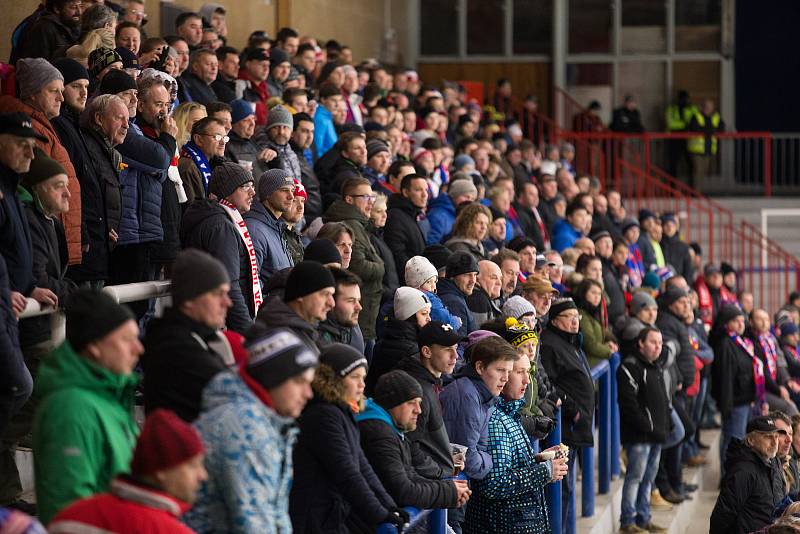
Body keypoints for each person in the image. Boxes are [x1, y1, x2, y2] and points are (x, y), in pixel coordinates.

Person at [185, 327, 318, 533]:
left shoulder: (265, 420)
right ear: (273, 378)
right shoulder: (243, 428)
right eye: (299, 382)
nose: (308, 394)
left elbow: (274, 511)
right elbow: (253, 523)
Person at [33, 290, 142, 524]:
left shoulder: (108, 397)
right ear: (94, 346)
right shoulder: (70, 409)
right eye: (126, 340)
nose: (138, 349)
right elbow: (70, 511)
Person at [290, 343, 406, 533]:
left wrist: (389, 506)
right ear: (332, 380)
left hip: (331, 515)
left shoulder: (343, 412)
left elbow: (363, 466)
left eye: (363, 378)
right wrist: (379, 513)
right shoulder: (323, 415)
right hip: (313, 520)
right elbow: (347, 472)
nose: (362, 384)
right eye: (354, 377)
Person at [49, 409, 206, 534]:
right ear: (162, 470)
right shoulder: (171, 531)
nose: (202, 475)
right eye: (193, 465)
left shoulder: (71, 516)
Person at [464, 348, 567, 534]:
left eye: (528, 372)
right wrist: (546, 471)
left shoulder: (509, 413)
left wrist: (537, 460)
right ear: (503, 374)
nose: (527, 380)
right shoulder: (496, 420)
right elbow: (495, 484)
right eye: (519, 372)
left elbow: (507, 466)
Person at [0, 60, 82, 265]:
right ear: (33, 93)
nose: (61, 98)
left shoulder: (45, 126)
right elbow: (43, 186)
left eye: (62, 91)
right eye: (53, 90)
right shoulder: (33, 127)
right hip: (46, 238)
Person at [356, 370, 468, 512]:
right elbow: (402, 491)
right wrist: (448, 492)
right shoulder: (379, 435)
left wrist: (449, 489)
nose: (418, 410)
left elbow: (410, 476)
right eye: (411, 403)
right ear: (392, 404)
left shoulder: (392, 430)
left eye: (419, 403)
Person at [141, 249, 233, 421]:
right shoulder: (176, 349)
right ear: (190, 299)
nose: (227, 302)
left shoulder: (193, 338)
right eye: (218, 294)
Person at [440, 335, 519, 531]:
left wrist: (482, 456)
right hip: (451, 490)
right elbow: (467, 458)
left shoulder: (483, 394)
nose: (506, 378)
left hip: (460, 488)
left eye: (508, 372)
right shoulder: (466, 397)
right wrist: (490, 461)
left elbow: (479, 449)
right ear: (480, 368)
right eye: (500, 370)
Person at [180, 161, 259, 333]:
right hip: (224, 324)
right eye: (245, 187)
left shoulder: (218, 219)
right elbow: (229, 284)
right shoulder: (220, 226)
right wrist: (248, 332)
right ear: (227, 192)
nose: (253, 192)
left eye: (252, 186)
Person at [540, 297, 595, 531]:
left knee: (568, 486)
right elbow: (549, 384)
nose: (575, 322)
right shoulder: (551, 344)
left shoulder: (570, 341)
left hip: (575, 423)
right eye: (569, 317)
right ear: (554, 320)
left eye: (576, 317)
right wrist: (573, 410)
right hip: (566, 426)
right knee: (561, 488)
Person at [617, 327, 671, 534]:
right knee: (635, 477)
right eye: (653, 342)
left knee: (649, 478)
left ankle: (643, 517)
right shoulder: (629, 367)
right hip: (640, 436)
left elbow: (663, 401)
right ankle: (628, 521)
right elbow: (630, 406)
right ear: (641, 343)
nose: (658, 347)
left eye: (660, 343)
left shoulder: (655, 367)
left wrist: (666, 425)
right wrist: (649, 427)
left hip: (656, 434)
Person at [324, 177, 385, 348]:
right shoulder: (351, 224)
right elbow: (360, 266)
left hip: (363, 315)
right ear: (349, 199)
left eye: (372, 197)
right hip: (358, 314)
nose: (371, 203)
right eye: (365, 197)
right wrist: (381, 266)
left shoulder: (359, 223)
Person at [396, 321, 463, 473]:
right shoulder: (417, 391)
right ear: (426, 352)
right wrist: (439, 469)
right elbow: (409, 446)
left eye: (456, 348)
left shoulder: (429, 382)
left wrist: (446, 456)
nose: (456, 356)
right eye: (448, 350)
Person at [710, 416, 786, 534]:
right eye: (768, 437)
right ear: (751, 440)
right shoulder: (743, 471)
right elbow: (722, 515)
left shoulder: (774, 462)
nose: (774, 442)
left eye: (776, 436)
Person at [712, 304, 763, 468]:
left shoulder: (740, 341)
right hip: (735, 403)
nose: (741, 324)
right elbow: (725, 377)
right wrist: (727, 405)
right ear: (726, 323)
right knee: (732, 441)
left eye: (742, 320)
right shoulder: (726, 344)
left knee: (741, 441)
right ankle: (727, 478)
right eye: (736, 321)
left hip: (745, 400)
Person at [255, 260, 336, 351]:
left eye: (332, 295)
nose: (332, 303)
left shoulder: (301, 332)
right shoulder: (279, 342)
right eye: (325, 294)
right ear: (301, 294)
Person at [367, 286, 432, 394]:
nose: (429, 318)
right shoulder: (411, 350)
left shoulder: (387, 338)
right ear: (410, 316)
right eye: (424, 313)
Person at [244, 168, 295, 287]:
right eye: (284, 190)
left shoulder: (277, 225)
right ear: (268, 193)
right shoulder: (254, 229)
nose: (291, 196)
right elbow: (251, 283)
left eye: (292, 190)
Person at [384, 173, 429, 280]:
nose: (425, 195)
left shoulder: (411, 215)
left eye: (426, 190)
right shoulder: (396, 216)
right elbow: (397, 254)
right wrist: (418, 278)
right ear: (405, 192)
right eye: (418, 190)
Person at [319, 267, 365, 353]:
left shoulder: (350, 328)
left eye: (358, 300)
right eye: (351, 301)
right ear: (330, 301)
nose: (359, 307)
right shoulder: (317, 342)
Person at [575, 278, 618, 367]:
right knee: (615, 357)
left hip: (596, 361)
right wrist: (608, 350)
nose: (597, 297)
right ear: (583, 293)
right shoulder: (581, 315)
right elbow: (590, 345)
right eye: (593, 293)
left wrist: (611, 343)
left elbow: (603, 334)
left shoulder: (593, 313)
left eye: (599, 294)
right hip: (590, 365)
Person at [438, 251, 480, 337]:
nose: (473, 281)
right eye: (467, 275)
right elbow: (459, 343)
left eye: (475, 275)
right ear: (452, 277)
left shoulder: (455, 296)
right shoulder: (453, 303)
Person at [291, 112, 323, 221]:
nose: (310, 136)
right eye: (304, 131)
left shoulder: (304, 154)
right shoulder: (290, 157)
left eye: (312, 132)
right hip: (304, 220)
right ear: (292, 132)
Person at [426, 178, 478, 246]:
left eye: (472, 199)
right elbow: (430, 245)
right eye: (466, 196)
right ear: (455, 195)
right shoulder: (438, 215)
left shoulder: (458, 213)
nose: (469, 201)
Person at [258, 105, 302, 181]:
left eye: (285, 127)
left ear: (291, 132)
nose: (281, 132)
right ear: (268, 130)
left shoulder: (292, 152)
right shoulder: (264, 152)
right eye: (276, 127)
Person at [688, 99, 724, 187]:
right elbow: (695, 128)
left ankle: (698, 192)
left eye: (709, 107)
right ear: (702, 107)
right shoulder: (696, 116)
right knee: (697, 172)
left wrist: (706, 129)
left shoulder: (716, 117)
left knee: (703, 172)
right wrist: (710, 130)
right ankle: (696, 194)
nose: (707, 109)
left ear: (713, 108)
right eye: (706, 107)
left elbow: (721, 128)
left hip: (709, 149)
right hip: (697, 150)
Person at [467, 259, 503, 326]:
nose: (499, 283)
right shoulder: (478, 300)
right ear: (477, 280)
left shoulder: (483, 298)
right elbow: (478, 334)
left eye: (500, 279)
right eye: (493, 277)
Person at [659, 213, 694, 281]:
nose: (669, 228)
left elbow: (688, 270)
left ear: (676, 228)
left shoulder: (683, 247)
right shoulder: (658, 245)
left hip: (679, 284)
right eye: (667, 225)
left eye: (672, 225)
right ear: (662, 227)